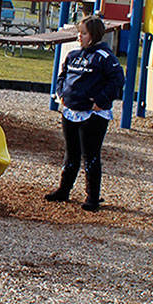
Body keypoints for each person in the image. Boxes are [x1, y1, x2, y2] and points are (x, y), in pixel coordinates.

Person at [45, 15, 125, 212]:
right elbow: (62, 76)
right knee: (71, 153)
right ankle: (64, 190)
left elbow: (117, 81)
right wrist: (62, 93)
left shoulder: (105, 58)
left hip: (92, 116)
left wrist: (101, 101)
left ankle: (92, 197)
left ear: (94, 35)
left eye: (84, 34)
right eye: (79, 33)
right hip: (70, 112)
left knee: (90, 156)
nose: (79, 37)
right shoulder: (73, 55)